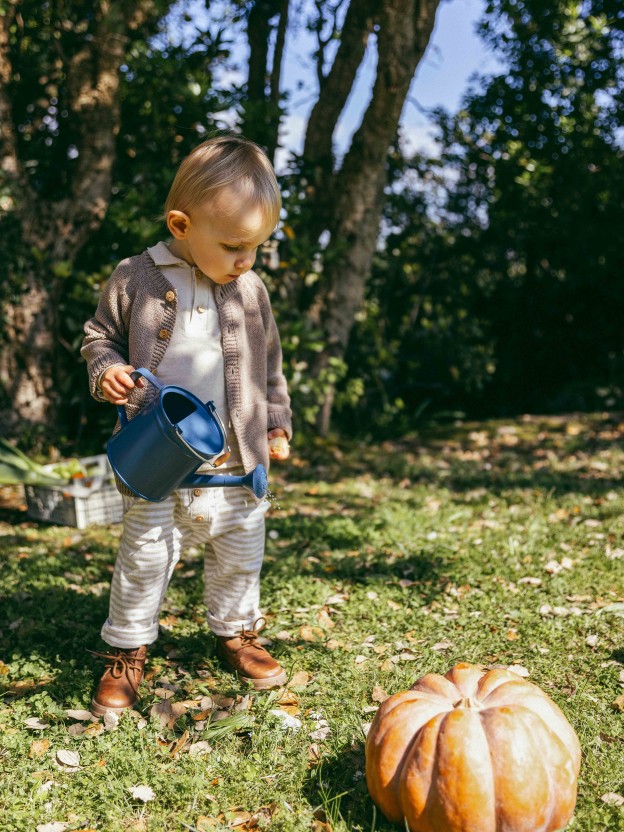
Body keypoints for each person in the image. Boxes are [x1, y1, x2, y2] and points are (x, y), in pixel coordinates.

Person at [81, 135, 292, 717]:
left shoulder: (250, 290)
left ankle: (236, 632)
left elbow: (268, 363)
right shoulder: (135, 278)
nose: (246, 259)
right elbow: (100, 338)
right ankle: (126, 650)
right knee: (146, 554)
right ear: (181, 223)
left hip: (234, 457)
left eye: (256, 246)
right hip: (158, 455)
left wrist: (275, 422)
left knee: (239, 548)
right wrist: (109, 371)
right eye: (233, 246)